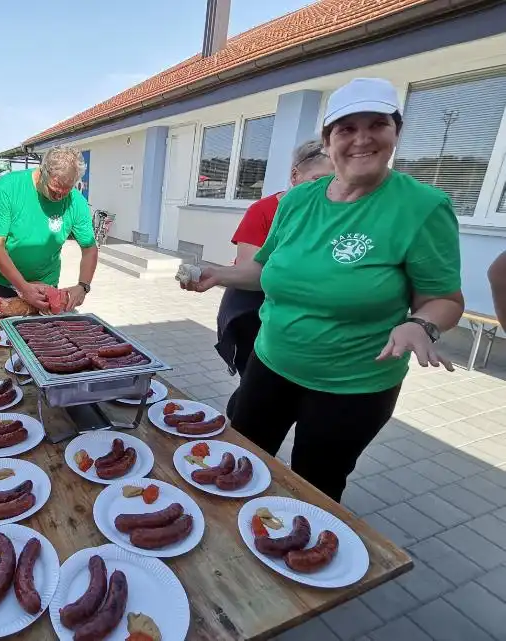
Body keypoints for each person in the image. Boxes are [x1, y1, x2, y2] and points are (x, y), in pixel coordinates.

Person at [183, 78, 464, 502]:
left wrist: (421, 325)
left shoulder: (422, 207)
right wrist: (218, 275)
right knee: (239, 461)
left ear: (395, 133)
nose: (362, 139)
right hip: (270, 363)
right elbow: (264, 270)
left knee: (315, 487)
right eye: (347, 129)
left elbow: (445, 298)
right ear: (328, 140)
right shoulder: (298, 201)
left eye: (377, 125)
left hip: (352, 386)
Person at [217, 140, 333, 417]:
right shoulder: (264, 210)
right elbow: (249, 269)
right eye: (316, 179)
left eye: (332, 181)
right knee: (254, 384)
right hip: (253, 305)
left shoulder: (334, 215)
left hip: (299, 317)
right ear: (296, 176)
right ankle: (236, 429)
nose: (323, 188)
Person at [0, 145, 98, 311]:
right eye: (54, 191)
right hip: (4, 282)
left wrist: (83, 286)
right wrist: (23, 287)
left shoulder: (76, 202)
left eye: (66, 192)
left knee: (42, 334)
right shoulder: (8, 187)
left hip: (46, 284)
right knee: (4, 333)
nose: (59, 197)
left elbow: (89, 248)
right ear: (43, 172)